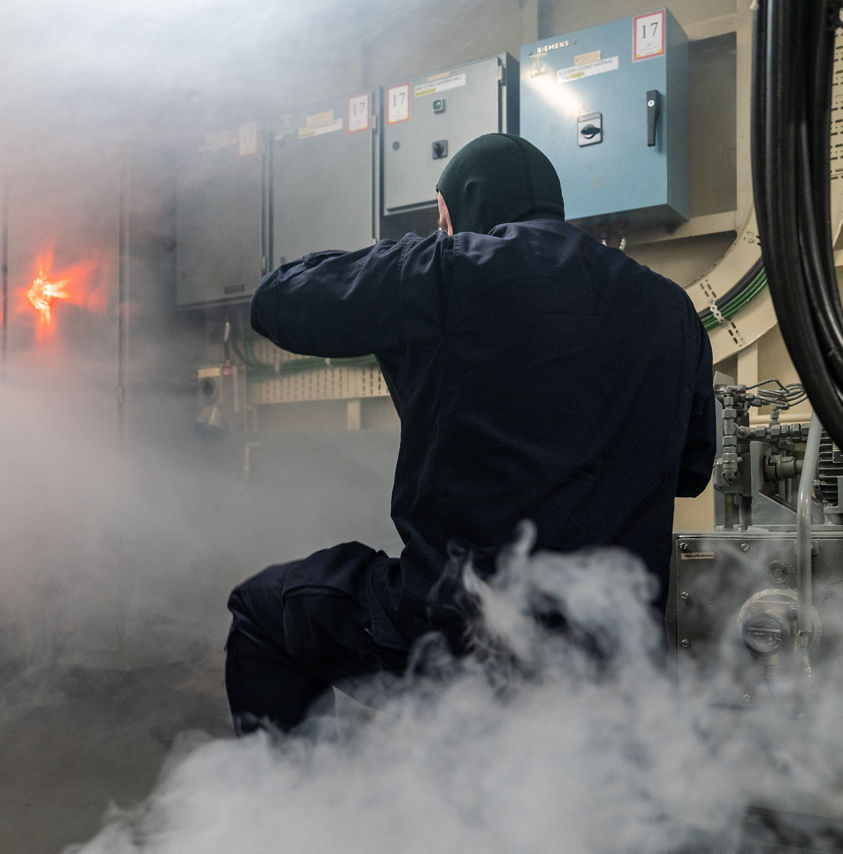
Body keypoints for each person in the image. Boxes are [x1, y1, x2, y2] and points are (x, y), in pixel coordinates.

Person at [224, 133, 715, 734]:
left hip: (465, 636)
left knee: (262, 609)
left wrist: (406, 258)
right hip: (617, 648)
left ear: (464, 204)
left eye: (443, 218)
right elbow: (691, 470)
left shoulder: (444, 268)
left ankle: (305, 791)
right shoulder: (671, 308)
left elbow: (276, 301)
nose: (444, 232)